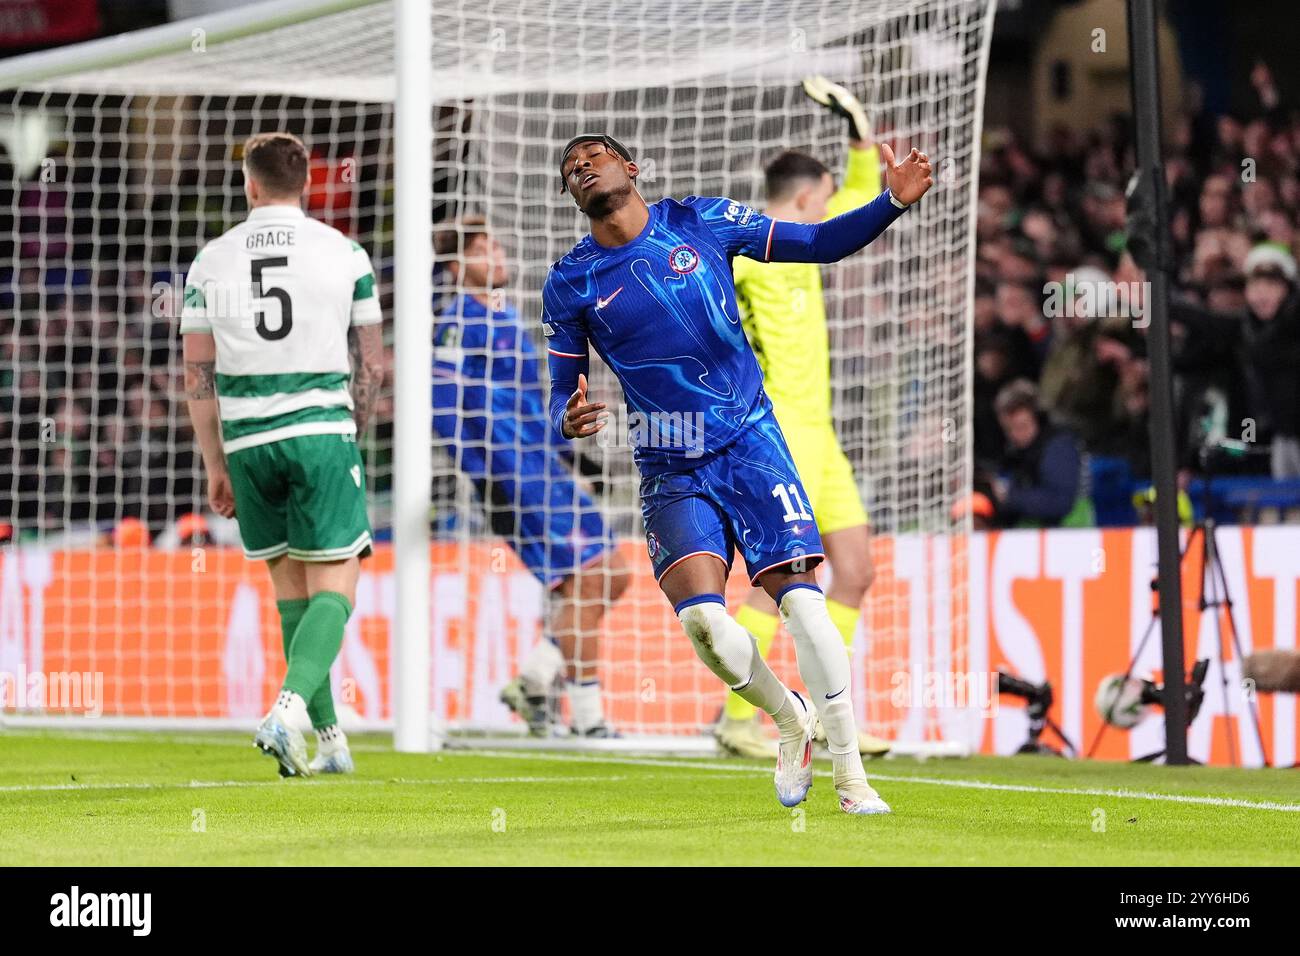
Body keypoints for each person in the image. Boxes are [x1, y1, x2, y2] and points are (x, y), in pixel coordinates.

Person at [545, 130, 932, 814]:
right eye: (571, 168)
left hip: (750, 441)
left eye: (593, 158)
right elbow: (560, 392)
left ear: (629, 168)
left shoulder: (703, 222)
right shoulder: (569, 282)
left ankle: (851, 779)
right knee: (708, 632)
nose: (581, 168)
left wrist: (888, 204)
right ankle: (787, 720)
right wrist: (565, 419)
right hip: (668, 463)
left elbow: (817, 244)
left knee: (805, 606)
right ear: (571, 193)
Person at [181, 131, 384, 777]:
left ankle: (329, 743)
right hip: (321, 430)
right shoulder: (344, 251)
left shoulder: (210, 260)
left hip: (246, 440)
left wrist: (215, 463)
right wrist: (358, 424)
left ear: (250, 184)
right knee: (339, 581)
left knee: (291, 593)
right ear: (307, 183)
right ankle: (287, 711)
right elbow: (372, 364)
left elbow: (197, 377)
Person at [719, 76, 889, 760]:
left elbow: (866, 196)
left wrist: (858, 127)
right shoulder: (749, 257)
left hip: (821, 434)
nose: (830, 208)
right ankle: (737, 719)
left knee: (855, 568)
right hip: (779, 432)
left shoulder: (808, 241)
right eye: (823, 199)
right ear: (802, 198)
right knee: (785, 577)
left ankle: (827, 711)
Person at [432, 216, 630, 737]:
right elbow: (443, 408)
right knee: (592, 575)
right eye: (481, 249)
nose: (496, 254)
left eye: (496, 244)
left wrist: (575, 459)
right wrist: (484, 474)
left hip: (543, 469)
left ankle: (536, 680)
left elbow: (524, 402)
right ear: (457, 267)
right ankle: (586, 718)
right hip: (514, 477)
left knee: (604, 575)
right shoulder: (458, 322)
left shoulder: (504, 317)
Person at [989, 379, 1093, 528]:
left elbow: (1060, 502)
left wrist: (1010, 496)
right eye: (1008, 429)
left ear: (1036, 416)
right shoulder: (1015, 452)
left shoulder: (1060, 446)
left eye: (1022, 426)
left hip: (1070, 533)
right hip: (1037, 531)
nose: (1015, 435)